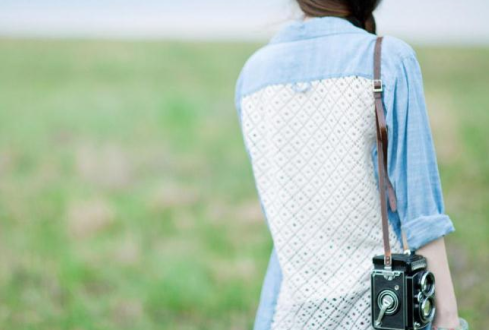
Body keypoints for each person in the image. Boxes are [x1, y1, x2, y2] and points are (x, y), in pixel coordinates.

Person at [234, 1, 469, 330]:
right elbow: (422, 219)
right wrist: (448, 322)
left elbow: (283, 222)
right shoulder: (389, 60)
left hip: (286, 315)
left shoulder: (253, 76)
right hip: (382, 311)